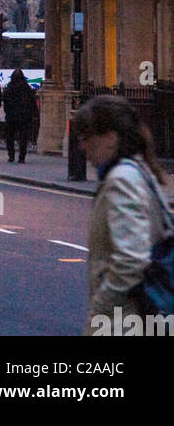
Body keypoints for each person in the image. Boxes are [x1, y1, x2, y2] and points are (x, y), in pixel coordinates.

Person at [75, 94, 173, 335]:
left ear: (110, 138)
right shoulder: (139, 171)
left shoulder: (121, 180)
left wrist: (99, 309)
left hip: (125, 321)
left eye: (88, 138)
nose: (82, 146)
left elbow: (131, 259)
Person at [2, 67, 36, 163]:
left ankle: (11, 155)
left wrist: (8, 112)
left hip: (11, 116)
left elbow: (6, 102)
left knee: (10, 137)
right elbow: (31, 103)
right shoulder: (27, 88)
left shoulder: (9, 88)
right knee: (23, 137)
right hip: (24, 116)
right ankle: (22, 157)